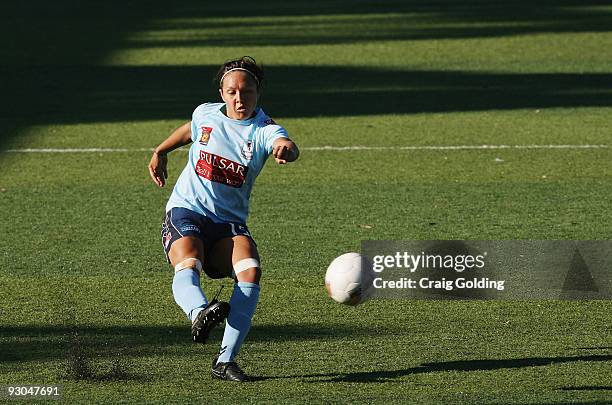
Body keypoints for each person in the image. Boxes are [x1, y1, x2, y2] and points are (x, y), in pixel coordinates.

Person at [148, 56, 299, 382]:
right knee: (189, 260)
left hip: (228, 225)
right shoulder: (206, 113)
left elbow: (283, 142)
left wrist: (286, 149)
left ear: (258, 93)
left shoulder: (263, 129)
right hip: (186, 210)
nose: (239, 99)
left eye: (247, 92)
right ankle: (198, 312)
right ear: (222, 92)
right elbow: (191, 129)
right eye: (232, 92)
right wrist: (161, 151)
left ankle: (225, 362)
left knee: (250, 270)